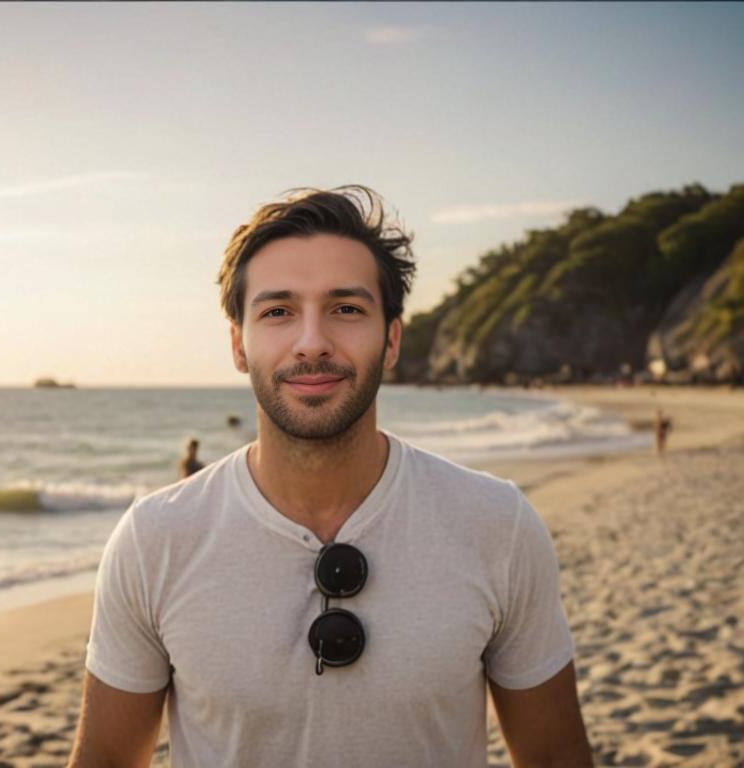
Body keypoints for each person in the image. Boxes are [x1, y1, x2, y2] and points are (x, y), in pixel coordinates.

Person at [69, 186, 592, 767]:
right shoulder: (154, 540)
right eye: (277, 312)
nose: (312, 341)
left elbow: (552, 758)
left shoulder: (496, 524)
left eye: (346, 308)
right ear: (239, 344)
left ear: (391, 339)